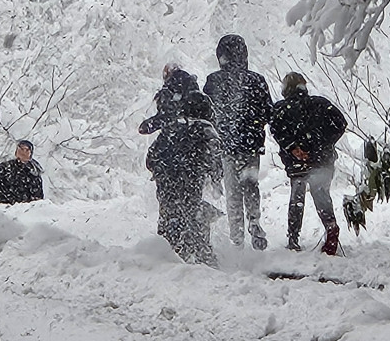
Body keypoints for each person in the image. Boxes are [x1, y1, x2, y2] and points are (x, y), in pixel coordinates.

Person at [145, 69, 221, 267]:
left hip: (169, 168)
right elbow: (213, 143)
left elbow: (155, 138)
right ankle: (202, 252)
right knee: (191, 207)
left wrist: (156, 163)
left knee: (171, 210)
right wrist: (213, 172)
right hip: (193, 168)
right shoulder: (203, 113)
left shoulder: (170, 107)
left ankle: (172, 253)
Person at [204, 34, 273, 250]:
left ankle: (237, 237)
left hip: (227, 145)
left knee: (233, 192)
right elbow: (268, 112)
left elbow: (207, 113)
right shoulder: (257, 80)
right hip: (251, 145)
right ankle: (254, 219)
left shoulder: (214, 81)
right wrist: (255, 125)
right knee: (251, 184)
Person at [269, 72, 347, 255]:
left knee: (297, 196)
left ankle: (293, 239)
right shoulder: (321, 104)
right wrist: (324, 144)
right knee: (320, 193)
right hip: (323, 159)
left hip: (297, 161)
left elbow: (276, 129)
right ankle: (331, 228)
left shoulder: (281, 108)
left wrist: (293, 147)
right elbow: (341, 123)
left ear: (286, 89)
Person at [0, 139, 44, 204]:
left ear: (30, 154)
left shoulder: (34, 174)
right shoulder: (3, 168)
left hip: (24, 211)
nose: (23, 152)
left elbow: (38, 199)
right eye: (21, 149)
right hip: (2, 208)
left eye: (27, 150)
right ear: (16, 152)